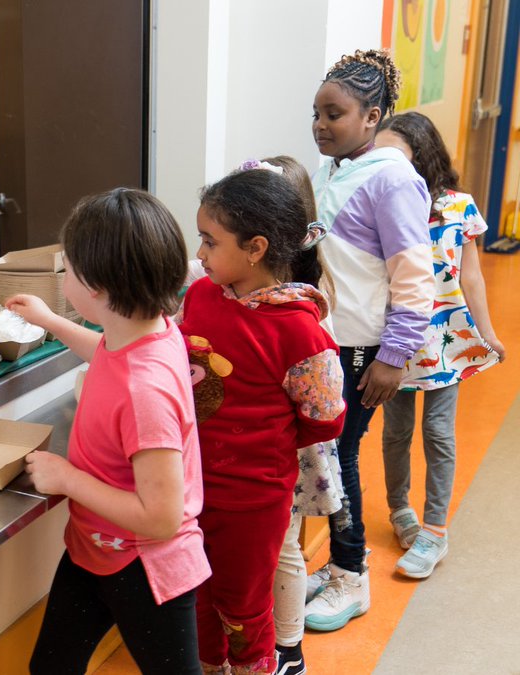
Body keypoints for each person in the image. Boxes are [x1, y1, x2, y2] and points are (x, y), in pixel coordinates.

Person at [6, 188, 210, 675]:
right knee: (52, 666)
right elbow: (105, 352)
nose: (64, 277)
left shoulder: (147, 392)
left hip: (147, 567)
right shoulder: (149, 330)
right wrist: (51, 321)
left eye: (67, 270)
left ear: (95, 287)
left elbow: (161, 517)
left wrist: (66, 478)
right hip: (94, 548)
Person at [179, 168, 345, 674]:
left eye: (210, 241)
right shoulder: (201, 297)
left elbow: (324, 419)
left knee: (244, 609)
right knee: (198, 596)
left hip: (252, 500)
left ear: (255, 248)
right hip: (189, 487)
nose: (201, 253)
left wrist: (263, 439)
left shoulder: (299, 331)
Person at [304, 49, 434, 632]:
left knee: (339, 457)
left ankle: (351, 578)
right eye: (315, 113)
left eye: (334, 114)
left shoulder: (393, 179)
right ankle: (337, 566)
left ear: (372, 115)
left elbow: (414, 279)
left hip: (363, 350)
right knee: (323, 456)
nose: (320, 125)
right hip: (330, 343)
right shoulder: (340, 169)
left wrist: (392, 358)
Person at [374, 112, 505, 579]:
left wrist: (486, 333)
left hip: (446, 343)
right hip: (396, 343)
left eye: (394, 153)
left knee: (439, 432)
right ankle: (399, 511)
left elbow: (471, 275)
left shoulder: (459, 206)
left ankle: (434, 529)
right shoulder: (384, 200)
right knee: (395, 433)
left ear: (421, 154)